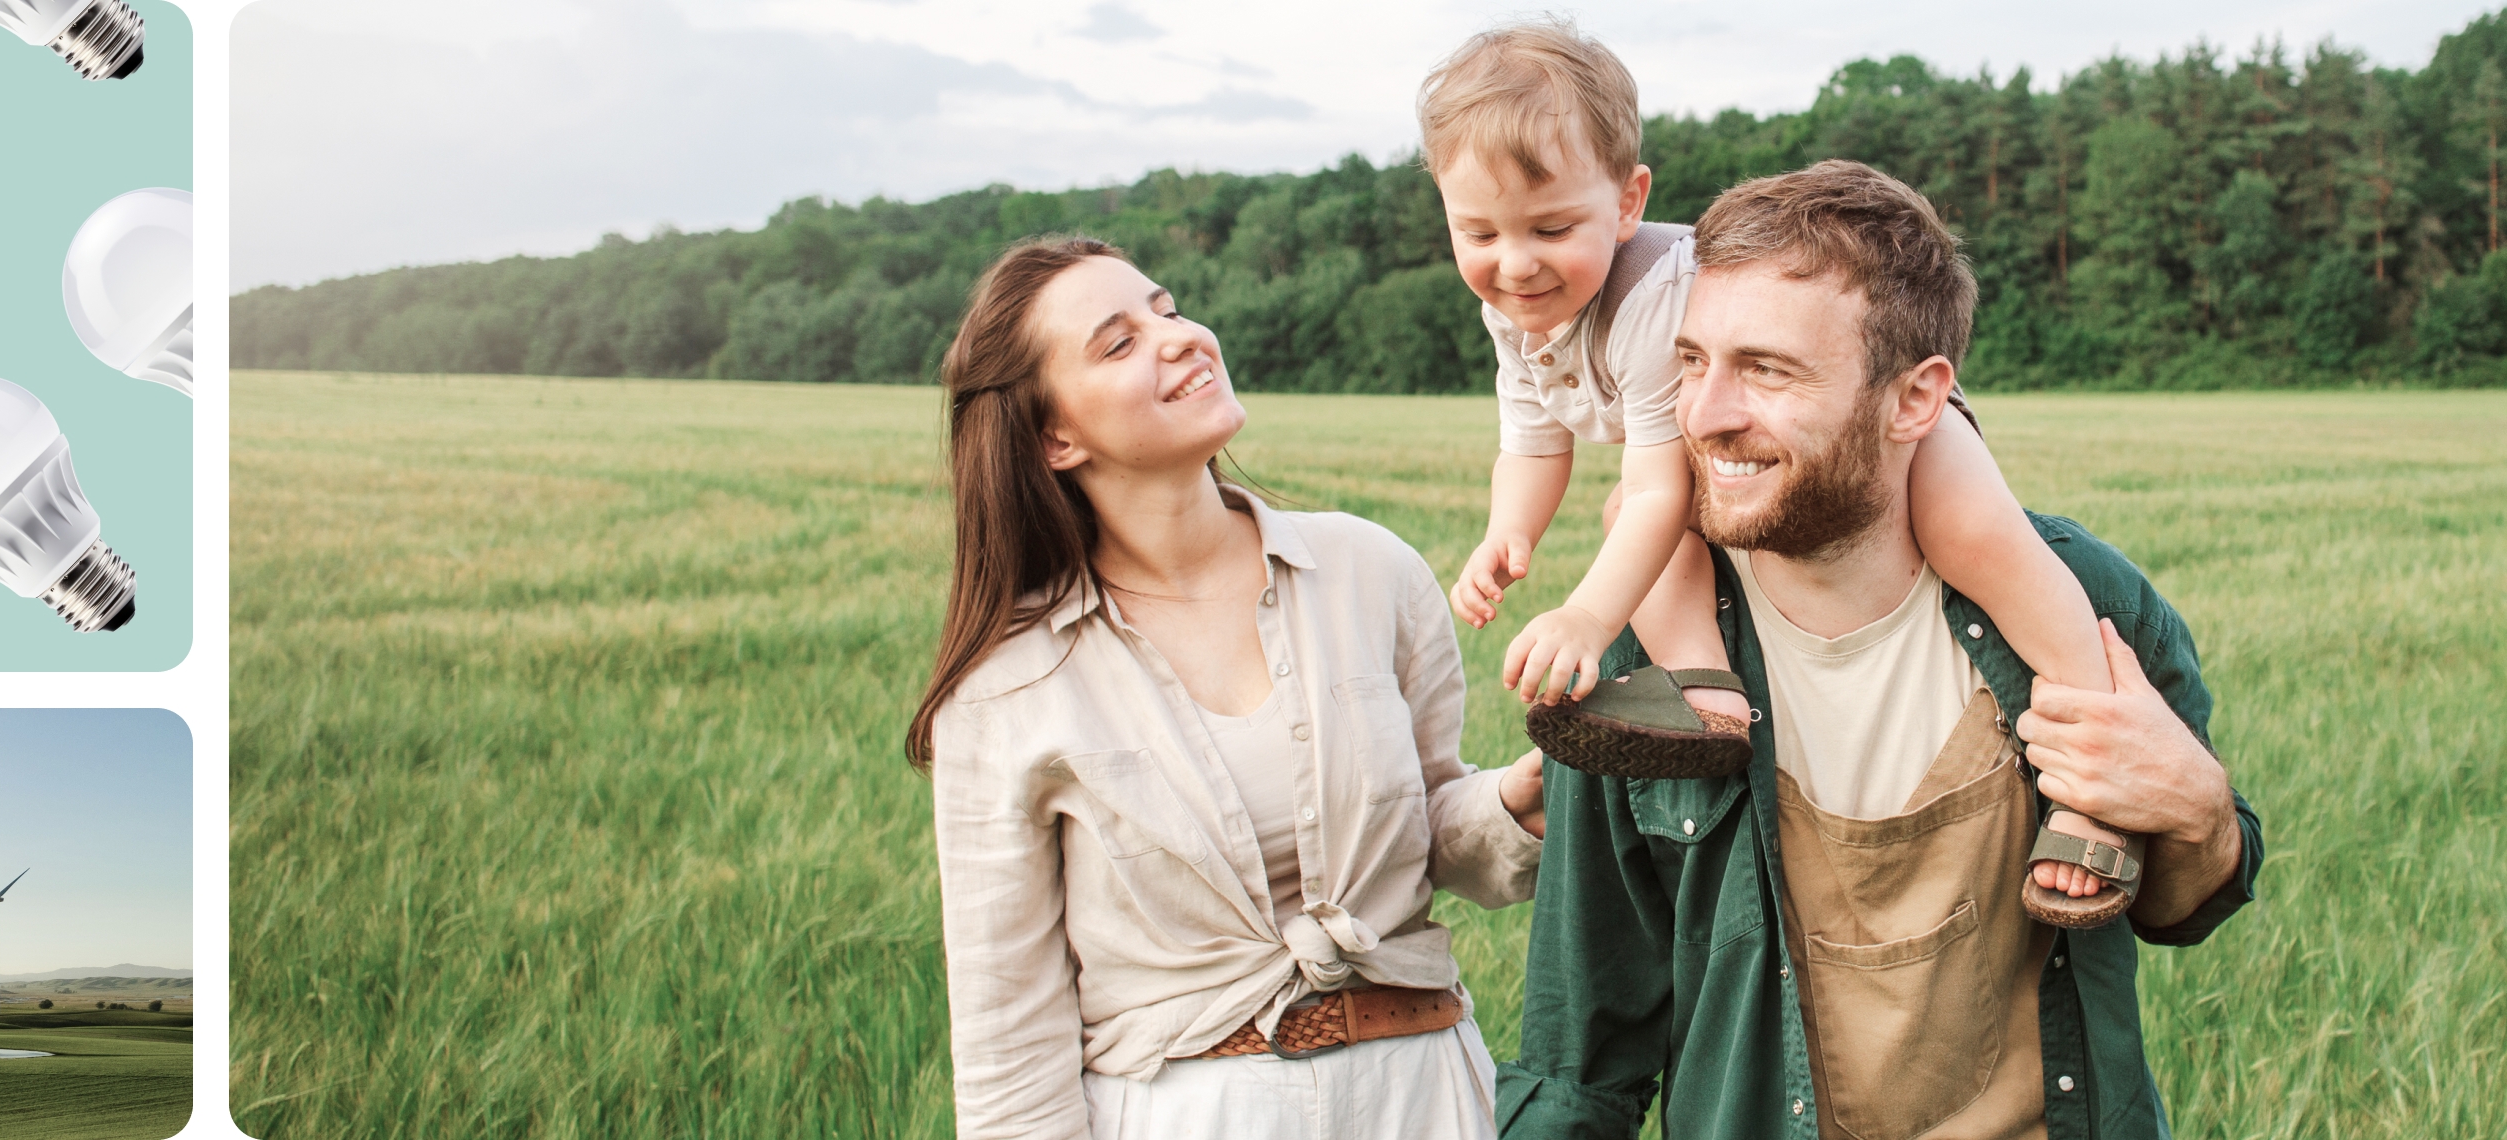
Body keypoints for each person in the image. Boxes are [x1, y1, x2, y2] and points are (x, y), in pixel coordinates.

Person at [1492, 160, 2263, 1140]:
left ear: (1916, 400)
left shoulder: (2086, 602)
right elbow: (1579, 1065)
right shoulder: (1636, 668)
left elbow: (2188, 903)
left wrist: (2196, 809)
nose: (1704, 414)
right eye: (1689, 361)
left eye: (1766, 370)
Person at [1411, 17, 2156, 925]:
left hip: (1882, 416)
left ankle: (2098, 771)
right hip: (1731, 440)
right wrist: (1509, 532)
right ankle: (1706, 695)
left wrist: (1586, 617)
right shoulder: (1515, 306)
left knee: (1980, 540)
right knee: (1625, 519)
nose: (1515, 262)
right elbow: (1532, 439)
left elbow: (1659, 490)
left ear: (1629, 201)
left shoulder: (1645, 302)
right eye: (1477, 232)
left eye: (1551, 227)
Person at [908, 236, 1548, 1140]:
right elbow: (1008, 1038)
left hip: (1424, 1094)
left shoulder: (1369, 569)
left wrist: (1515, 806)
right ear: (1055, 437)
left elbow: (1428, 817)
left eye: (1167, 309)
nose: (1180, 336)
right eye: (1119, 343)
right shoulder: (1006, 686)